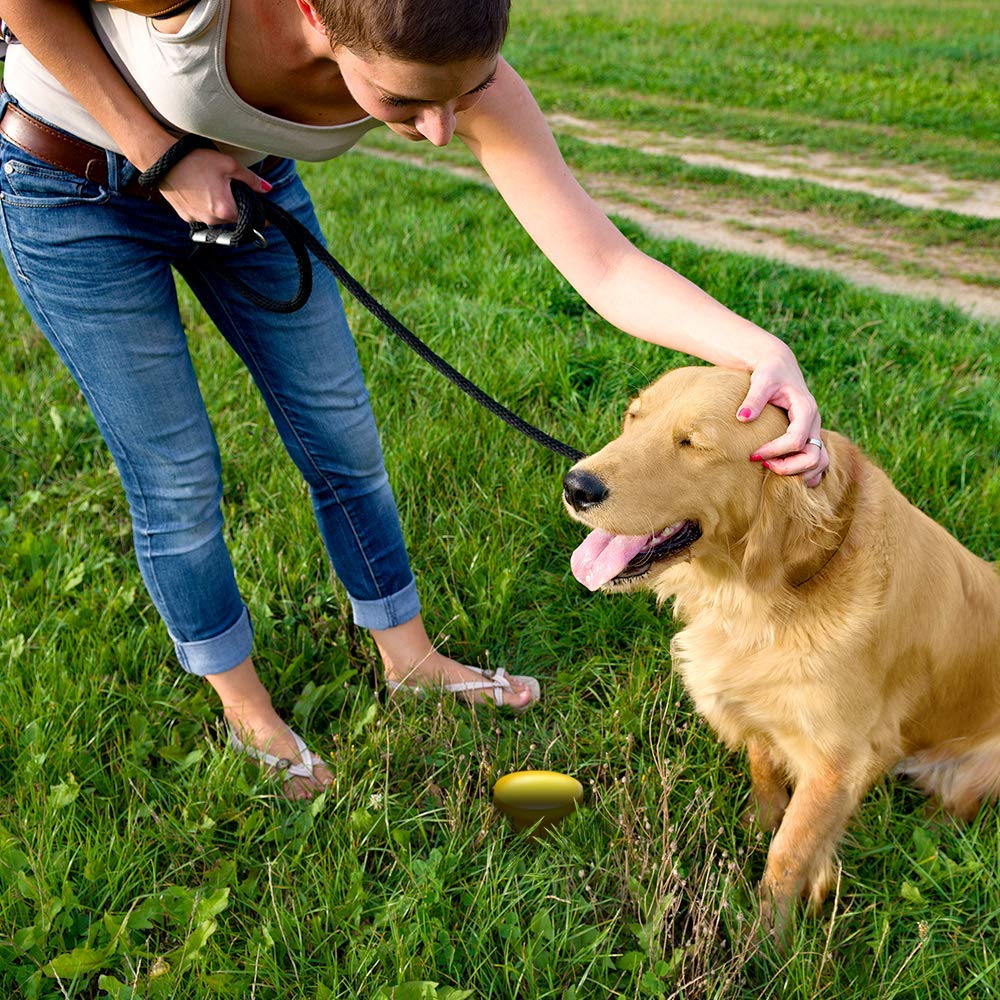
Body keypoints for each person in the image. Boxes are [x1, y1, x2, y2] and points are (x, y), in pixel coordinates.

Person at [0, 0, 828, 798]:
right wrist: (162, 152)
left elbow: (604, 266)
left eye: (461, 97)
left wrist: (763, 349)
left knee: (343, 440)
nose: (438, 130)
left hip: (249, 188)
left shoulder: (458, 71)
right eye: (403, 100)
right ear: (318, 16)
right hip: (74, 189)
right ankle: (246, 711)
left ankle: (410, 660)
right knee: (177, 476)